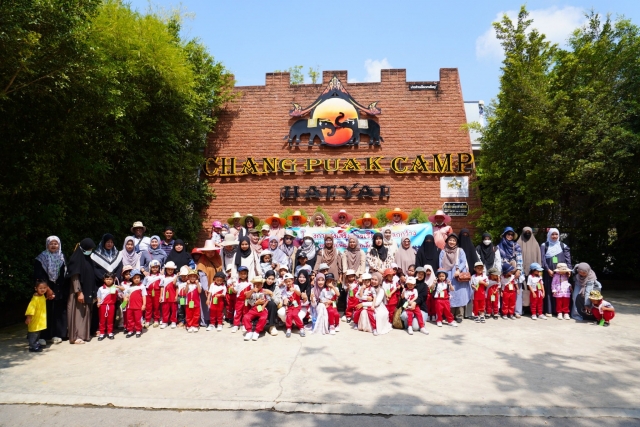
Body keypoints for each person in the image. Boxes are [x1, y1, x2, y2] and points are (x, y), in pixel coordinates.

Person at [33, 236, 67, 345]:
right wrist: (48, 289)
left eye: (55, 243)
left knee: (57, 311)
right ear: (47, 244)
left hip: (59, 288)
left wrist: (58, 289)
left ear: (59, 245)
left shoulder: (62, 257)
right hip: (44, 288)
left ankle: (56, 334)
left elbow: (64, 273)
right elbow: (39, 275)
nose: (53, 245)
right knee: (44, 311)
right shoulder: (41, 257)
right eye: (51, 243)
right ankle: (42, 336)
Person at [66, 238, 96, 344]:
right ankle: (75, 336)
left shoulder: (87, 259)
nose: (90, 251)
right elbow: (75, 277)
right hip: (78, 293)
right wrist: (79, 292)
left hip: (86, 291)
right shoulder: (76, 260)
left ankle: (83, 335)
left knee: (84, 313)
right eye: (89, 249)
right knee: (77, 314)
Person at [438, 234, 470, 323]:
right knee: (450, 295)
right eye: (450, 240)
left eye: (454, 240)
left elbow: (463, 261)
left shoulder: (460, 250)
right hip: (447, 275)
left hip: (457, 275)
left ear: (456, 242)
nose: (452, 242)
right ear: (447, 241)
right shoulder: (443, 251)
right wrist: (443, 275)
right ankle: (450, 315)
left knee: (460, 294)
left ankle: (459, 315)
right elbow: (440, 264)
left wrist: (458, 270)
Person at [540, 228, 572, 316]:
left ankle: (561, 311)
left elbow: (568, 259)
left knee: (561, 290)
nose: (554, 236)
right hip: (549, 272)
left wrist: (569, 270)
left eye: (556, 234)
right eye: (552, 234)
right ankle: (549, 310)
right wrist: (547, 269)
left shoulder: (563, 245)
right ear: (549, 235)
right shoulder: (544, 245)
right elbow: (542, 259)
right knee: (550, 289)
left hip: (562, 272)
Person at [498, 227, 524, 318]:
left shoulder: (516, 245)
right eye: (508, 234)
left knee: (517, 291)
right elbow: (498, 259)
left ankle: (516, 311)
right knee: (504, 292)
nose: (510, 236)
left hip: (515, 270)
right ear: (504, 234)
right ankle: (504, 312)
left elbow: (519, 258)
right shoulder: (499, 246)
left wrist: (518, 270)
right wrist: (505, 270)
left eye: (511, 234)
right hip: (504, 271)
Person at [458, 228, 478, 318]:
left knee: (470, 294)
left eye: (466, 235)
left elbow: (475, 260)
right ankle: (460, 313)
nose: (465, 237)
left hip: (470, 274)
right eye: (463, 235)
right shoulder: (457, 248)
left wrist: (473, 271)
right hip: (459, 274)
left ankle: (468, 313)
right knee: (461, 293)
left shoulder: (471, 247)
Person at [243, 276, 269, 341]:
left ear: (262, 284)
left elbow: (268, 299)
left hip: (262, 308)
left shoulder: (264, 291)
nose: (257, 286)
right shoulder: (252, 291)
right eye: (256, 284)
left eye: (259, 284)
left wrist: (263, 306)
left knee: (263, 318)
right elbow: (247, 297)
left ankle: (257, 332)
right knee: (246, 317)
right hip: (254, 308)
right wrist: (252, 291)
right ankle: (249, 331)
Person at [25, 279, 48, 352]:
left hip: (39, 319)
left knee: (37, 332)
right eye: (40, 288)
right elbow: (30, 308)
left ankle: (36, 344)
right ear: (36, 288)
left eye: (44, 288)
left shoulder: (42, 296)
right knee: (33, 333)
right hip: (34, 319)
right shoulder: (35, 299)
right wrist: (28, 317)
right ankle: (32, 346)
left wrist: (48, 297)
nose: (43, 289)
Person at [123, 270, 146, 338]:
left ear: (140, 278)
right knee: (130, 319)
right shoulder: (129, 287)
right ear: (132, 279)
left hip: (138, 307)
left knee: (138, 319)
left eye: (138, 277)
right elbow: (126, 296)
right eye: (134, 278)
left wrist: (144, 305)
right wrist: (124, 304)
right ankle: (130, 330)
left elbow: (144, 296)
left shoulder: (142, 286)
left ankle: (138, 330)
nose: (136, 279)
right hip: (129, 307)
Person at [95, 272, 117, 341]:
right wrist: (99, 302)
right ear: (104, 280)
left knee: (110, 320)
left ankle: (110, 332)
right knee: (102, 320)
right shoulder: (101, 288)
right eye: (107, 279)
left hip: (111, 306)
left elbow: (123, 290)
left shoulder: (115, 288)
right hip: (103, 306)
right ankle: (102, 333)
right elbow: (98, 296)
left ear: (113, 280)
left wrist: (117, 286)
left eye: (110, 279)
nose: (108, 280)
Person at [230, 266, 252, 333]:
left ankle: (244, 324)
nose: (243, 275)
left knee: (245, 313)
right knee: (237, 312)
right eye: (241, 273)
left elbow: (251, 291)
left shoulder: (250, 283)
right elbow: (236, 292)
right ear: (239, 274)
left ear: (247, 274)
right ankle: (236, 325)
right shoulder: (237, 283)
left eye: (244, 273)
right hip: (239, 301)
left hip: (247, 301)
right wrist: (232, 289)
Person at [143, 260, 163, 327]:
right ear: (150, 268)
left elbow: (162, 287)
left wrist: (161, 296)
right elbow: (144, 286)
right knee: (148, 307)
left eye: (156, 267)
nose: (155, 269)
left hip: (157, 293)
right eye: (153, 267)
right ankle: (148, 320)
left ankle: (156, 320)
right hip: (148, 293)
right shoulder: (147, 277)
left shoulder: (161, 276)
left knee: (156, 307)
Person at [262, 270, 282, 336]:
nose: (270, 281)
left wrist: (271, 294)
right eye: (269, 278)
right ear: (265, 278)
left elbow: (277, 301)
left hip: (271, 307)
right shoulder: (261, 285)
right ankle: (257, 323)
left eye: (272, 279)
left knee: (272, 304)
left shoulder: (276, 287)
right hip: (261, 305)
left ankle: (272, 326)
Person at [159, 261, 178, 329]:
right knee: (165, 310)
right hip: (165, 297)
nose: (170, 271)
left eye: (172, 269)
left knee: (174, 310)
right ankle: (165, 322)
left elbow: (177, 287)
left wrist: (176, 296)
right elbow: (162, 287)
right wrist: (161, 296)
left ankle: (173, 321)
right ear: (166, 269)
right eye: (168, 269)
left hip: (173, 297)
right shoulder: (163, 277)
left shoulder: (176, 277)